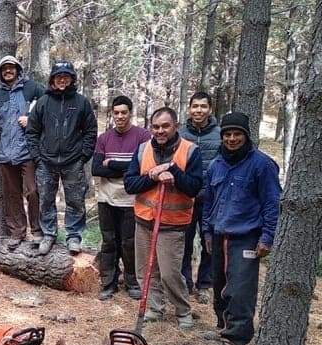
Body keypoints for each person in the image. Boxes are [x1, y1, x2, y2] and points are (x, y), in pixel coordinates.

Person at [202, 112, 281, 345]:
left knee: (240, 290)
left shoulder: (262, 165)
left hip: (246, 237)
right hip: (219, 233)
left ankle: (235, 341)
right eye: (227, 134)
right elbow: (208, 203)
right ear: (222, 136)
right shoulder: (216, 165)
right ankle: (223, 327)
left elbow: (272, 204)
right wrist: (206, 231)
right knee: (220, 286)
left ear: (246, 136)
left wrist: (267, 237)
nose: (232, 138)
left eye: (237, 134)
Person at [124, 107, 202, 329]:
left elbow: (194, 188)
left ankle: (183, 310)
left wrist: (174, 173)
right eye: (156, 127)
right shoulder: (142, 150)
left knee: (169, 273)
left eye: (165, 126)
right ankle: (154, 307)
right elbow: (130, 184)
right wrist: (153, 176)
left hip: (173, 224)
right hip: (144, 221)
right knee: (146, 272)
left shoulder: (190, 151)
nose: (160, 131)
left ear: (176, 126)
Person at [26, 60, 98, 255]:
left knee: (75, 200)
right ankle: (49, 234)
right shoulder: (43, 103)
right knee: (45, 200)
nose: (62, 80)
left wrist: (83, 155)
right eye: (59, 77)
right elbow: (32, 132)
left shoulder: (81, 102)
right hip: (46, 162)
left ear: (72, 79)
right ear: (52, 80)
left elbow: (90, 131)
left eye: (66, 76)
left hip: (73, 161)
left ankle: (73, 236)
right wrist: (37, 157)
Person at [0, 55, 45, 249]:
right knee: (11, 194)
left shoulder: (33, 88)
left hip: (28, 151)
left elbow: (47, 113)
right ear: (1, 73)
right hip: (5, 153)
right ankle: (17, 232)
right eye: (4, 69)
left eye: (11, 68)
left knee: (33, 191)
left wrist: (31, 120)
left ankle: (37, 231)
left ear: (18, 69)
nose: (8, 71)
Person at [92, 95, 150, 300]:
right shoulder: (104, 138)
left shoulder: (143, 137)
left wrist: (112, 164)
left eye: (124, 112)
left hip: (132, 200)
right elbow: (96, 169)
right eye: (116, 113)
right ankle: (109, 282)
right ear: (112, 114)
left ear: (131, 113)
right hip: (106, 199)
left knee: (129, 242)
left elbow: (143, 167)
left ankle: (132, 282)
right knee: (109, 241)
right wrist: (127, 168)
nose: (120, 116)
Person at [178, 91, 221, 304]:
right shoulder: (181, 134)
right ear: (189, 108)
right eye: (195, 106)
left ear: (210, 109)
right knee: (184, 242)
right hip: (185, 197)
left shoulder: (220, 135)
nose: (199, 110)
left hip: (211, 199)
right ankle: (185, 281)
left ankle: (205, 284)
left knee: (209, 243)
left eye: (203, 106)